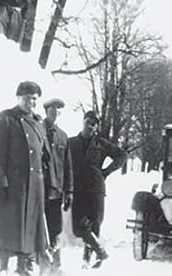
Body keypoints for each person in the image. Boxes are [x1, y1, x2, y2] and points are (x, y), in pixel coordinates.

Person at [0, 81, 50, 276]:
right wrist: (0, 183)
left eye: (35, 99)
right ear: (18, 98)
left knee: (30, 226)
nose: (31, 103)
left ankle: (24, 266)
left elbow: (43, 155)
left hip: (34, 185)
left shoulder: (39, 123)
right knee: (9, 225)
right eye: (27, 98)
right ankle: (3, 268)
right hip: (14, 185)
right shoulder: (5, 120)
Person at [68, 111, 127, 269]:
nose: (91, 125)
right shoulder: (71, 143)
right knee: (77, 226)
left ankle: (86, 260)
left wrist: (106, 172)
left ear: (96, 126)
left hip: (95, 188)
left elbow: (122, 156)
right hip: (78, 188)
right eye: (88, 122)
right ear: (83, 122)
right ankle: (100, 252)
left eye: (94, 123)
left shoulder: (101, 143)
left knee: (95, 224)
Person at [41, 98, 73, 275]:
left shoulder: (63, 136)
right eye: (53, 110)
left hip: (56, 191)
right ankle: (41, 265)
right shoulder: (38, 131)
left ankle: (56, 266)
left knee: (56, 229)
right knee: (40, 229)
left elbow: (68, 166)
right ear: (46, 111)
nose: (56, 113)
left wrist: (69, 191)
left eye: (59, 110)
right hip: (39, 189)